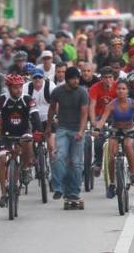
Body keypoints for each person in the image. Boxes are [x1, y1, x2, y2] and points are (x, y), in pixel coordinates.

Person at [0, 74, 41, 208]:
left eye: (20, 87)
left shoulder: (28, 99)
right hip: (6, 134)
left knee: (28, 142)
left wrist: (38, 131)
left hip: (24, 131)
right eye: (15, 87)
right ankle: (4, 195)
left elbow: (35, 116)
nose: (19, 90)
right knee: (3, 159)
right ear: (9, 88)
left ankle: (27, 168)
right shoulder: (2, 99)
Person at [95, 79, 134, 199]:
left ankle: (133, 174)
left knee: (128, 146)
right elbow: (103, 119)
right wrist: (97, 129)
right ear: (116, 90)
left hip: (130, 130)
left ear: (127, 91)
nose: (120, 91)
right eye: (118, 89)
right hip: (115, 130)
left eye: (123, 89)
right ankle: (112, 184)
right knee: (111, 155)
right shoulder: (111, 105)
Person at [47, 67, 90, 206]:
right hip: (63, 129)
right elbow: (52, 108)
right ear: (67, 79)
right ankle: (58, 187)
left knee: (76, 163)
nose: (76, 81)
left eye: (77, 78)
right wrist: (48, 126)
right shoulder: (57, 92)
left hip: (77, 129)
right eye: (73, 78)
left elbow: (84, 114)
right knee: (60, 156)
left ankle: (73, 192)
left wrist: (81, 131)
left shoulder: (82, 92)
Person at [88, 67, 117, 175]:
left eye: (110, 77)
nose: (108, 80)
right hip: (100, 116)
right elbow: (92, 105)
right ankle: (98, 162)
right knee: (99, 137)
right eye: (105, 78)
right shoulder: (95, 88)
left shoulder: (118, 87)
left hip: (115, 116)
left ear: (113, 78)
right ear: (101, 78)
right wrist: (93, 121)